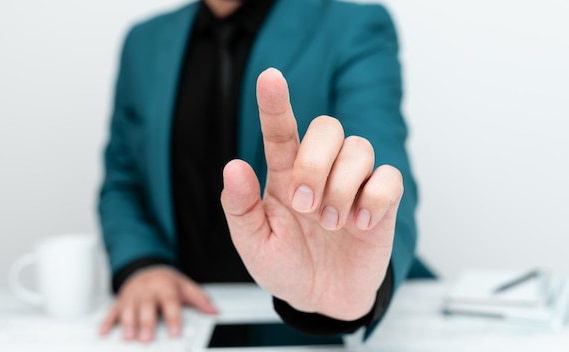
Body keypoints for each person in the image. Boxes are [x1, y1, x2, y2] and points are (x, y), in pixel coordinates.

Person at [98, 0, 422, 344]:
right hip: (180, 321)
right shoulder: (142, 43)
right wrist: (142, 263)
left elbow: (383, 174)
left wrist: (362, 282)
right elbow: (123, 180)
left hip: (304, 326)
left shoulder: (353, 26)